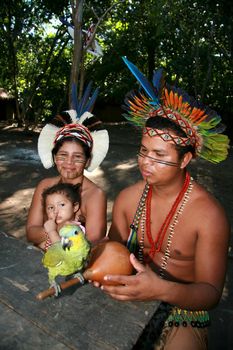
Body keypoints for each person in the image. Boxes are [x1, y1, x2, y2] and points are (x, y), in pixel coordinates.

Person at [100, 58, 230, 349]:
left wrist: (162, 289)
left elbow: (210, 292)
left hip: (184, 312)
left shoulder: (209, 216)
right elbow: (113, 252)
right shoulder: (127, 200)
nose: (146, 163)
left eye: (159, 155)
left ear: (185, 159)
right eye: (143, 151)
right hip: (131, 293)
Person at [26, 109, 109, 251]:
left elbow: (91, 244)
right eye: (63, 156)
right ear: (54, 158)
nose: (69, 163)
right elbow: (31, 232)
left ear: (88, 161)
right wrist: (58, 229)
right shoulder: (45, 185)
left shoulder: (95, 195)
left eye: (77, 157)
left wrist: (52, 239)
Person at [42, 182, 83, 249]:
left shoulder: (74, 230)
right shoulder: (54, 226)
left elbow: (64, 253)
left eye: (62, 205)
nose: (55, 211)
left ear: (75, 207)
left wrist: (52, 231)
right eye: (51, 207)